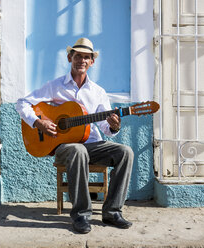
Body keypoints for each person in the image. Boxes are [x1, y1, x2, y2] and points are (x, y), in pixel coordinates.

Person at [16, 37, 134, 234]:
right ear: (70, 57)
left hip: (93, 145)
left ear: (92, 62)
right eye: (78, 56)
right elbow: (22, 103)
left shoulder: (98, 92)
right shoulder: (55, 86)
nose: (82, 60)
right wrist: (39, 122)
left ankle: (112, 212)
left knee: (126, 152)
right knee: (77, 150)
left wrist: (114, 126)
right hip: (63, 148)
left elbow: (105, 128)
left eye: (86, 57)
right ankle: (81, 215)